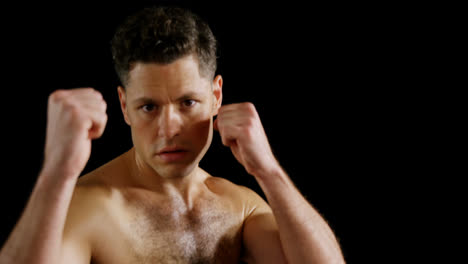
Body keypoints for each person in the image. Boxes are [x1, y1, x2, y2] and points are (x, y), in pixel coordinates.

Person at [0, 6, 344, 264]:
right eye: (149, 107)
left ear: (216, 97)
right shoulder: (92, 206)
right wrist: (57, 173)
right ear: (124, 106)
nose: (168, 128)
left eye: (188, 102)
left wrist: (268, 170)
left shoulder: (239, 208)